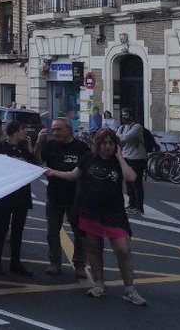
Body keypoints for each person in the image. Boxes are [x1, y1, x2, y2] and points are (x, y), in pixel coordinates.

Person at [45, 128, 146, 306]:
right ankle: (99, 284)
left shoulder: (117, 161)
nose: (107, 147)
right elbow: (73, 175)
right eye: (104, 143)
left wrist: (120, 157)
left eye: (111, 143)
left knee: (123, 250)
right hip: (90, 211)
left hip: (114, 213)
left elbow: (131, 178)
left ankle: (130, 289)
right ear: (98, 144)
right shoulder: (88, 158)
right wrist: (54, 172)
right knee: (94, 248)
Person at [36, 117, 89, 277]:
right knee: (52, 231)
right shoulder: (50, 145)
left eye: (58, 129)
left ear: (69, 129)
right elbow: (39, 162)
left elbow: (86, 170)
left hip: (76, 196)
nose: (55, 132)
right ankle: (55, 262)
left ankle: (79, 264)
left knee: (79, 233)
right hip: (55, 194)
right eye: (53, 129)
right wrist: (39, 143)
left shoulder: (81, 147)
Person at [0, 121, 36, 277]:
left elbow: (34, 167)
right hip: (5, 196)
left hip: (21, 196)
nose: (25, 133)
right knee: (1, 229)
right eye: (23, 129)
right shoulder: (0, 149)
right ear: (15, 132)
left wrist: (30, 150)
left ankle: (15, 262)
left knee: (18, 230)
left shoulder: (23, 149)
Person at [115, 109, 147, 214]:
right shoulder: (122, 127)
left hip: (137, 158)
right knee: (128, 183)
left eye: (126, 115)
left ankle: (139, 207)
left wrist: (120, 138)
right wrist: (119, 138)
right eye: (123, 115)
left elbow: (125, 138)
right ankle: (131, 204)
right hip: (126, 157)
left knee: (136, 183)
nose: (124, 117)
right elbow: (116, 139)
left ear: (132, 116)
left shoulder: (137, 127)